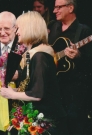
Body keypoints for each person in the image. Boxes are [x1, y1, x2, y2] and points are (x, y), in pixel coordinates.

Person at [0, 11, 68, 135]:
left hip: (46, 124)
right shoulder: (36, 54)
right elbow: (37, 88)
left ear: (29, 28)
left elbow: (37, 94)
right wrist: (16, 90)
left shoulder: (40, 56)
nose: (17, 32)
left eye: (19, 28)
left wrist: (12, 94)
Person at [48, 0, 92, 134]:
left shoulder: (83, 31)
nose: (54, 11)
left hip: (75, 92)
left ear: (70, 8)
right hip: (55, 88)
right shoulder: (52, 26)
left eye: (58, 7)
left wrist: (79, 56)